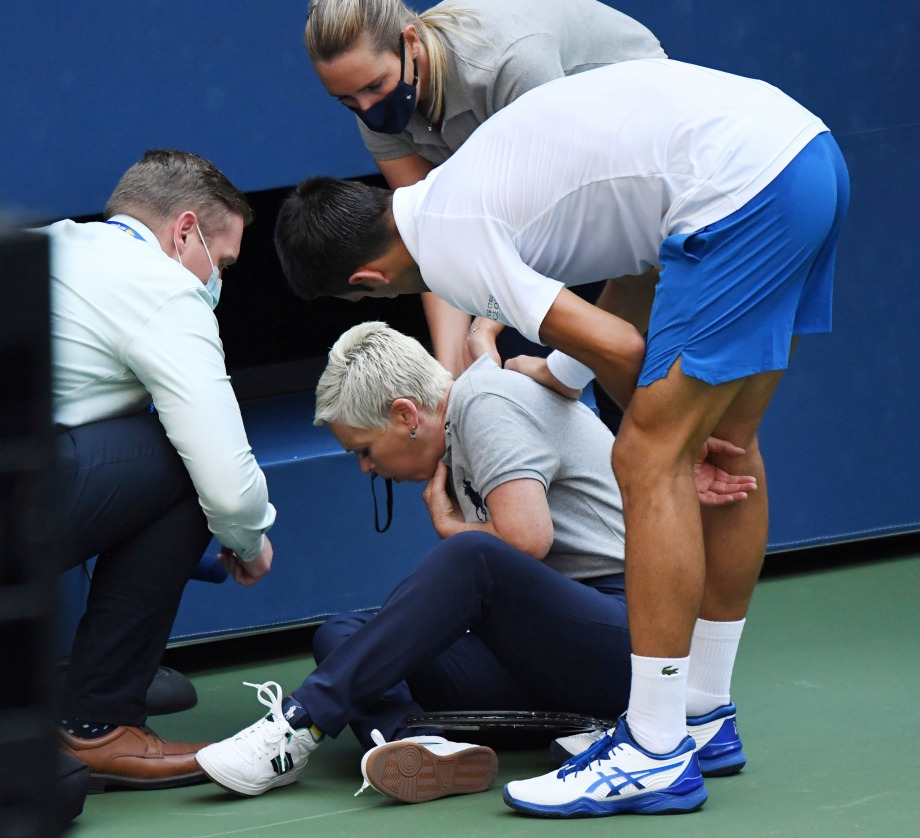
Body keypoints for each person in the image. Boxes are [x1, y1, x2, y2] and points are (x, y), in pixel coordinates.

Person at [273, 58, 849, 816]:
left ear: (367, 283)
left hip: (744, 188)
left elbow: (624, 347)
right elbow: (639, 268)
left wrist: (671, 443)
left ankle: (654, 749)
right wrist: (566, 373)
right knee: (733, 444)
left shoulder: (449, 249)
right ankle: (703, 715)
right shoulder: (453, 192)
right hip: (803, 155)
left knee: (646, 454)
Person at [194, 322, 754, 804]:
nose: (366, 467)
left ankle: (298, 725)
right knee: (342, 633)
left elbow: (527, 539)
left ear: (406, 414)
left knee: (471, 555)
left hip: (632, 638)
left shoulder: (483, 402)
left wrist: (451, 529)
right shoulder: (463, 419)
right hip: (549, 658)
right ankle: (419, 746)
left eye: (364, 449)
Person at [42, 149, 277, 791]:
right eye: (223, 262)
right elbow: (227, 483)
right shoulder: (164, 287)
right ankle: (98, 723)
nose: (219, 281)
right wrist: (248, 541)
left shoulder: (54, 242)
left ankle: (75, 685)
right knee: (185, 458)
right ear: (184, 231)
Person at [304, 0, 665, 377]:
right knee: (514, 359)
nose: (367, 109)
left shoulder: (509, 63)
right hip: (566, 199)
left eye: (375, 85)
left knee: (626, 347)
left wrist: (484, 326)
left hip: (644, 139)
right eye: (348, 101)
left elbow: (550, 217)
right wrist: (447, 375)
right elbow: (429, 240)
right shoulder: (376, 109)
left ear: (410, 42)